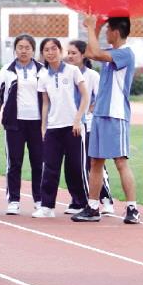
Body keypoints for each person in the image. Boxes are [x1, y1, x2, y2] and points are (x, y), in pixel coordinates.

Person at [72, 16, 140, 224]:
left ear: (116, 32)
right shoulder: (111, 53)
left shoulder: (125, 54)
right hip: (100, 114)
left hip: (116, 114)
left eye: (108, 30)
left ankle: (132, 209)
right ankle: (93, 207)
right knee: (96, 162)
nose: (106, 34)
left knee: (120, 161)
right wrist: (96, 26)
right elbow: (91, 53)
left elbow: (96, 53)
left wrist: (93, 27)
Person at [32, 38, 89, 218]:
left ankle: (80, 202)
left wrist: (78, 120)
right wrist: (43, 127)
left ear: (60, 50)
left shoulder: (72, 71)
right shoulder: (42, 75)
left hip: (73, 127)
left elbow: (85, 96)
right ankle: (47, 206)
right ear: (43, 54)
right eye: (46, 50)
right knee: (50, 167)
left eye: (54, 48)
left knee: (75, 167)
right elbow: (45, 104)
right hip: (53, 127)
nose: (50, 52)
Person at [0, 34, 44, 215]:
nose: (24, 50)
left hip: (38, 124)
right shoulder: (7, 71)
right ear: (15, 50)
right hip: (14, 124)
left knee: (38, 163)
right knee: (14, 163)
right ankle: (13, 200)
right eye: (20, 47)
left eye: (27, 47)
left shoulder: (42, 71)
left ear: (33, 50)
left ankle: (40, 199)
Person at [66, 39, 114, 213]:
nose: (69, 56)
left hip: (89, 125)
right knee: (73, 163)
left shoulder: (92, 76)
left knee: (94, 163)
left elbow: (99, 97)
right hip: (70, 125)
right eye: (68, 53)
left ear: (83, 55)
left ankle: (106, 199)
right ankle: (77, 200)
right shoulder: (65, 73)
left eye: (73, 53)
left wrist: (88, 113)